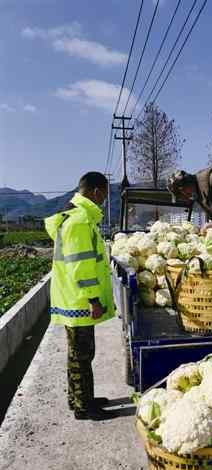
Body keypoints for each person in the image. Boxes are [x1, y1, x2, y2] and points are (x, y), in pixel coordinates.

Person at [45, 172, 116, 420]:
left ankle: (81, 398)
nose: (105, 200)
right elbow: (82, 267)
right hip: (80, 301)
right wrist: (93, 300)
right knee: (81, 356)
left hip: (76, 299)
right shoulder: (79, 222)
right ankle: (83, 407)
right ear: (96, 192)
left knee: (80, 354)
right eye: (105, 194)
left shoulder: (77, 218)